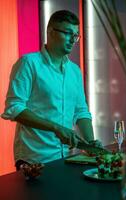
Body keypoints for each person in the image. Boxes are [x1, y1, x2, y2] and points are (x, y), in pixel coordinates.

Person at [1, 10, 101, 178]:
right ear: (50, 31)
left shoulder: (74, 71)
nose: (72, 40)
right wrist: (56, 128)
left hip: (68, 158)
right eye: (68, 33)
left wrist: (91, 143)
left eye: (75, 35)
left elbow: (81, 111)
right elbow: (14, 108)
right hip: (34, 158)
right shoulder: (28, 63)